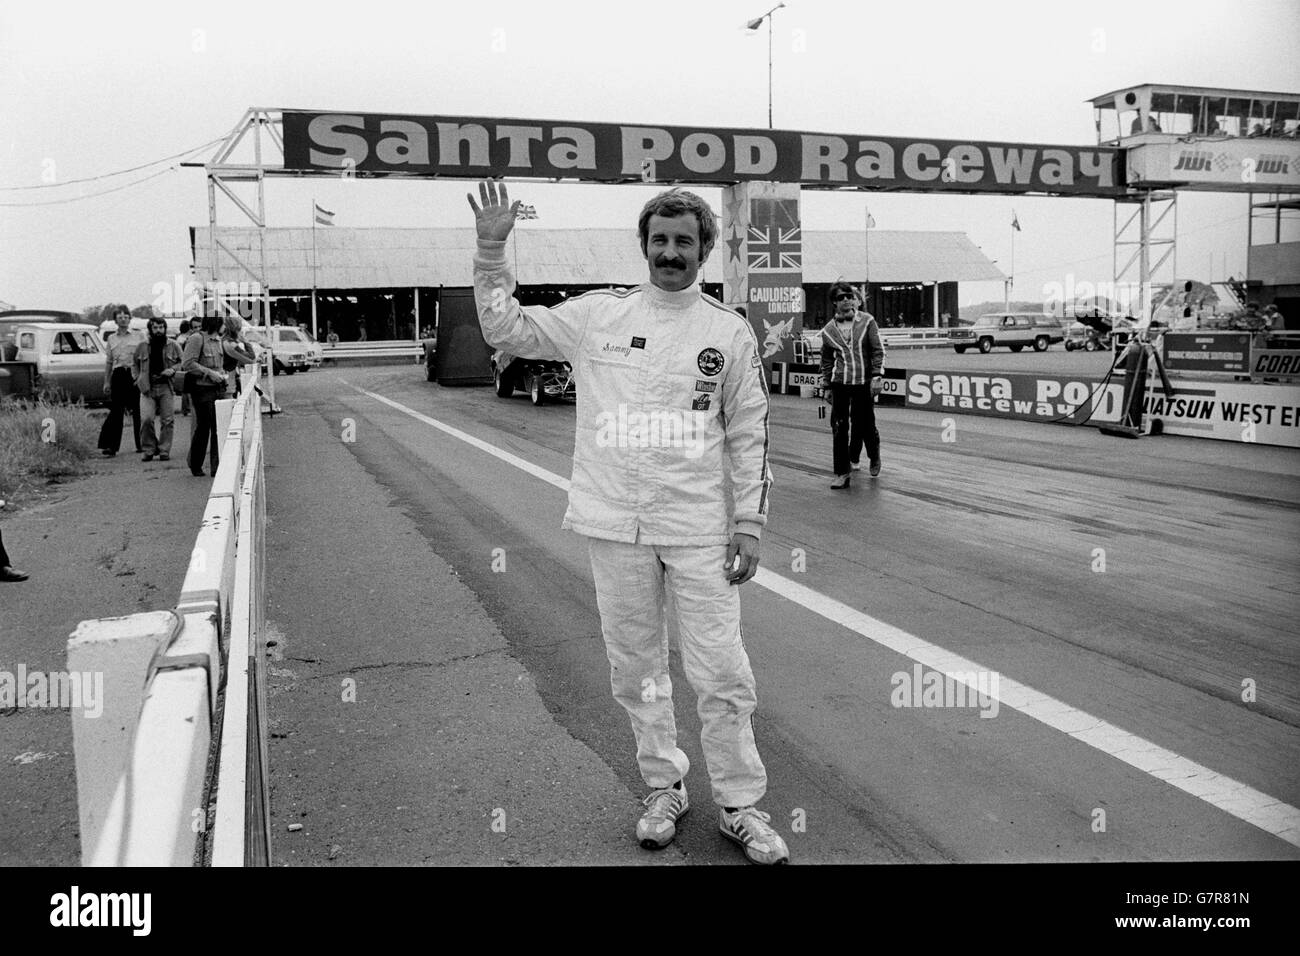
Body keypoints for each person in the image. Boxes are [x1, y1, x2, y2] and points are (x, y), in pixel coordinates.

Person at [467, 180, 787, 865]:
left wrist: (750, 523)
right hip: (613, 523)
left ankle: (740, 804)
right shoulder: (597, 318)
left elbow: (749, 434)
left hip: (699, 526)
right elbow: (505, 327)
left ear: (704, 251)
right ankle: (664, 786)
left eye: (685, 242)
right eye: (661, 240)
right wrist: (492, 250)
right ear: (643, 246)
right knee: (637, 670)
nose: (671, 252)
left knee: (722, 672)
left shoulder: (726, 333)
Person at [819, 281, 885, 488]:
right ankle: (841, 473)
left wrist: (877, 376)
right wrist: (827, 386)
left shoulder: (867, 321)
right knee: (839, 427)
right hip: (840, 384)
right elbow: (827, 360)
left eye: (848, 295)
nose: (846, 300)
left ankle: (874, 455)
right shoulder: (828, 330)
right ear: (834, 303)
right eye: (840, 297)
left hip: (863, 383)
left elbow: (877, 350)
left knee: (865, 424)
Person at [181, 315, 230, 477]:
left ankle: (217, 466)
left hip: (218, 388)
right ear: (216, 324)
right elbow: (188, 363)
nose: (225, 327)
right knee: (203, 427)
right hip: (202, 389)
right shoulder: (197, 339)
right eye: (223, 324)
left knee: (219, 427)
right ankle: (196, 464)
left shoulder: (218, 341)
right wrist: (209, 373)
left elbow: (219, 364)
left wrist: (221, 374)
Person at [133, 316, 184, 461]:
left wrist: (173, 369)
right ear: (150, 329)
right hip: (147, 388)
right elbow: (134, 364)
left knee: (167, 420)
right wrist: (137, 379)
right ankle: (149, 449)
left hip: (166, 386)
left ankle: (164, 450)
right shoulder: (142, 346)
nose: (158, 330)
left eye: (161, 327)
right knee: (147, 419)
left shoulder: (173, 345)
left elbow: (183, 362)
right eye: (155, 328)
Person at [97, 306, 145, 457]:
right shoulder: (111, 338)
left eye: (126, 317)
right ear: (115, 320)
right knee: (117, 411)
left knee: (138, 410)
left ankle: (142, 444)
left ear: (130, 319)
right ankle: (111, 446)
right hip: (118, 374)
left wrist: (143, 376)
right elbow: (109, 362)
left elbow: (144, 358)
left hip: (134, 374)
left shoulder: (139, 336)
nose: (123, 319)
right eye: (120, 317)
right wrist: (107, 382)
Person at [220, 315, 257, 397]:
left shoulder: (223, 340)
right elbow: (251, 357)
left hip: (226, 379)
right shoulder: (230, 343)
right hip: (228, 382)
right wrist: (246, 342)